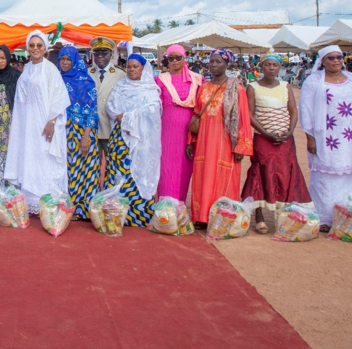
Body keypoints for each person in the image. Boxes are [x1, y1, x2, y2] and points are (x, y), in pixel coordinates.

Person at [300, 45, 352, 231]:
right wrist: (310, 138)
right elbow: (305, 110)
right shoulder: (313, 81)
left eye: (339, 57)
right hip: (326, 138)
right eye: (330, 58)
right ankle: (325, 217)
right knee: (326, 176)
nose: (336, 60)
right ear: (322, 61)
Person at [241, 54, 311, 234]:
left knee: (285, 173)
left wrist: (289, 132)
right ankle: (259, 216)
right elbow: (249, 114)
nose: (271, 68)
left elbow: (293, 110)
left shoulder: (286, 86)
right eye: (268, 65)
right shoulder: (253, 87)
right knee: (260, 172)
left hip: (285, 138)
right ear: (261, 67)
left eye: (275, 65)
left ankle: (283, 215)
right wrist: (265, 133)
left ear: (279, 68)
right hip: (263, 138)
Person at [3, 31, 71, 213]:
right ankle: (31, 200)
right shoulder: (26, 69)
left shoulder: (50, 69)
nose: (35, 48)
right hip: (27, 124)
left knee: (45, 158)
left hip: (44, 123)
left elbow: (59, 96)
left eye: (39, 45)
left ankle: (47, 201)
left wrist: (51, 121)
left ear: (45, 48)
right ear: (27, 48)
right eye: (32, 45)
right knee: (30, 157)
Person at [187, 49, 253, 227]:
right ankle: (202, 217)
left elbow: (242, 118)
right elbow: (196, 114)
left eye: (218, 62)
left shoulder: (236, 88)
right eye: (211, 62)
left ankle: (222, 216)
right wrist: (190, 140)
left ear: (227, 64)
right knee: (203, 176)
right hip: (204, 140)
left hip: (225, 141)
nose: (214, 65)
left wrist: (241, 145)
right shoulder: (204, 87)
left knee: (223, 176)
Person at [106, 54, 162, 226]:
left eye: (135, 66)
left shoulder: (150, 89)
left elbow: (153, 111)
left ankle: (138, 215)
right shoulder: (120, 86)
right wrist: (122, 117)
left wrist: (128, 117)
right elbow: (111, 107)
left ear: (143, 69)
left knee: (139, 173)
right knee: (119, 174)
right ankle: (116, 213)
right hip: (120, 139)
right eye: (129, 66)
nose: (131, 69)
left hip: (141, 141)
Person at [155, 44, 203, 202]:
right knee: (166, 170)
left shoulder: (197, 80)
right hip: (166, 134)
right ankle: (164, 212)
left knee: (184, 171)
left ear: (185, 58)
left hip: (188, 134)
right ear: (166, 60)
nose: (174, 61)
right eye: (171, 58)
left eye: (178, 57)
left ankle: (179, 208)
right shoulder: (160, 80)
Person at [58, 46, 100, 219]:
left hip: (82, 130)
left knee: (85, 169)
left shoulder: (85, 80)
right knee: (67, 170)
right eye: (62, 59)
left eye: (69, 59)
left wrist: (86, 136)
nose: (66, 63)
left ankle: (85, 209)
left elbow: (92, 110)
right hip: (62, 131)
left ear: (75, 60)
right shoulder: (56, 79)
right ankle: (69, 207)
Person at [87, 37, 126, 159]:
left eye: (104, 52)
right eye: (96, 53)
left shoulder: (121, 75)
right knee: (92, 168)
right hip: (92, 128)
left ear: (111, 54)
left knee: (113, 166)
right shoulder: (87, 73)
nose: (100, 56)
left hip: (112, 127)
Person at [0, 45, 20, 182]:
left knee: (14, 151)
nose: (0, 61)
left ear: (8, 58)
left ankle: (13, 186)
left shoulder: (17, 76)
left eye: (3, 58)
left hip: (14, 120)